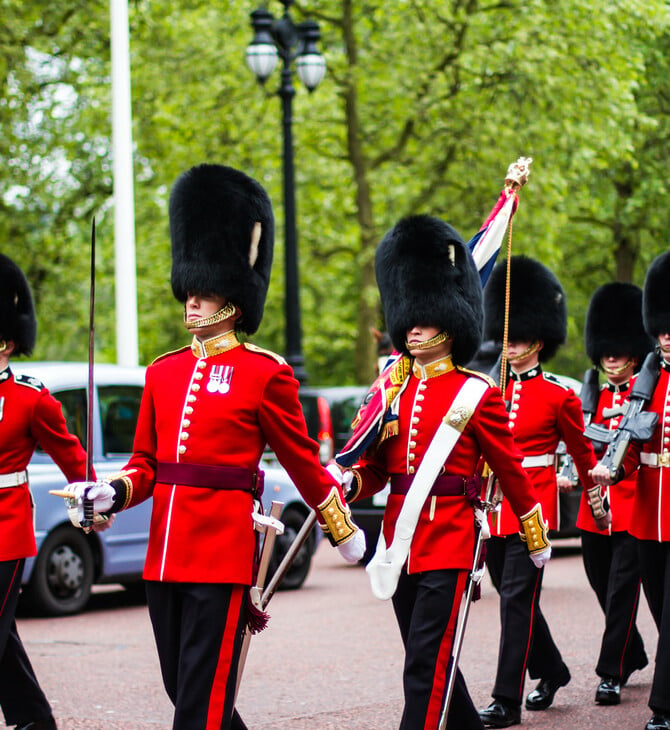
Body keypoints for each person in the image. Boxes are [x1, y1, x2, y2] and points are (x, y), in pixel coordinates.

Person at [62, 164, 366, 730]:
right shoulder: (163, 373)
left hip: (222, 556)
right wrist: (109, 492)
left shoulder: (264, 374)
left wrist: (338, 524)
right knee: (190, 692)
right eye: (190, 293)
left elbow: (302, 458)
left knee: (200, 704)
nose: (192, 305)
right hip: (163, 558)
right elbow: (147, 465)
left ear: (231, 297)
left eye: (203, 295)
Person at [336, 216, 551, 730]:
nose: (413, 327)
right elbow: (377, 471)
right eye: (408, 318)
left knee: (424, 669)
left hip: (452, 538)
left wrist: (534, 528)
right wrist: (350, 483)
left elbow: (511, 469)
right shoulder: (390, 389)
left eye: (424, 320)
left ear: (449, 323)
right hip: (400, 539)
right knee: (430, 660)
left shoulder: (475, 392)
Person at [478, 256, 599, 728]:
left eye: (520, 339)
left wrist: (593, 493)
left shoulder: (558, 396)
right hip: (493, 507)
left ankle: (505, 700)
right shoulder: (488, 389)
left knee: (513, 599)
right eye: (506, 338)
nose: (510, 346)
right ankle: (552, 669)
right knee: (514, 597)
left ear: (538, 341)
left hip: (533, 507)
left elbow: (583, 452)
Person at [0, 254, 93, 730]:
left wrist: (93, 498)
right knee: (3, 634)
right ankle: (35, 719)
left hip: (7, 528)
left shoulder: (31, 398)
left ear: (7, 342)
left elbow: (71, 454)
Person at [591, 251, 670, 730]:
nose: (666, 336)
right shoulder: (646, 384)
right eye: (661, 328)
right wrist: (611, 472)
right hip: (647, 511)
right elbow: (632, 447)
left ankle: (663, 706)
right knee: (659, 606)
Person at [577, 282, 651, 705]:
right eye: (605, 351)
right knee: (600, 584)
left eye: (618, 352)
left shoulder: (645, 393)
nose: (610, 358)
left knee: (623, 589)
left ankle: (611, 673)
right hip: (595, 509)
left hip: (631, 504)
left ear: (633, 353)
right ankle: (634, 651)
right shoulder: (594, 396)